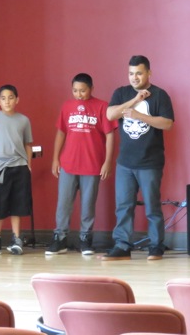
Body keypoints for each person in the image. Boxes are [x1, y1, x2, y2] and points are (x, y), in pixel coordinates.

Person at [103, 55, 174, 261]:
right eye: (131, 73)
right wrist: (135, 100)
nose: (134, 77)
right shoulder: (121, 93)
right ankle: (122, 246)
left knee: (152, 207)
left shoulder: (160, 95)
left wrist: (139, 116)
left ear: (149, 73)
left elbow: (168, 123)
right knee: (123, 207)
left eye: (139, 73)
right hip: (125, 163)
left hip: (150, 162)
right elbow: (110, 115)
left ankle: (156, 246)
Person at [46, 73, 116, 256]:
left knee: (88, 204)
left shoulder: (102, 106)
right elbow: (61, 133)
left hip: (92, 165)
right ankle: (60, 238)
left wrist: (107, 162)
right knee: (64, 203)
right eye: (75, 90)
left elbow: (110, 135)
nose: (79, 94)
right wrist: (55, 158)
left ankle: (85, 238)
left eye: (83, 90)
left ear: (91, 89)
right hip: (68, 164)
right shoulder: (67, 106)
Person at [0, 84, 33, 256]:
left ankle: (16, 239)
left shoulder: (24, 120)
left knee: (18, 205)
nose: (7, 101)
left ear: (17, 100)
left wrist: (28, 164)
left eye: (11, 98)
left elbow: (28, 144)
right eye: (3, 98)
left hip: (19, 167)